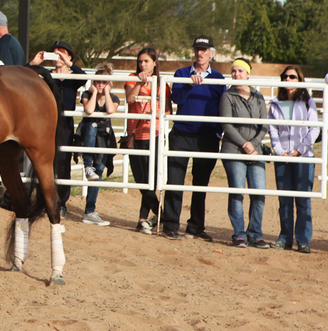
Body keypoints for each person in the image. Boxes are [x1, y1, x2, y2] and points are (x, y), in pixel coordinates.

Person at [162, 35, 225, 241]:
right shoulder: (181, 73)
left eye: (204, 50)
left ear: (211, 53)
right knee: (175, 180)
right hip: (182, 133)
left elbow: (221, 107)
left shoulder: (218, 78)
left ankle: (195, 227)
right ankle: (170, 224)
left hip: (206, 137)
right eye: (197, 49)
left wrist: (217, 133)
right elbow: (177, 99)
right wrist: (189, 84)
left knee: (200, 183)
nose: (200, 53)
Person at [30, 41, 86, 218]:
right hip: (45, 123)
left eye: (62, 53)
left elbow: (84, 77)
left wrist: (69, 65)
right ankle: (43, 200)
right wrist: (34, 63)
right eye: (55, 53)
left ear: (69, 56)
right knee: (42, 160)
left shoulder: (73, 76)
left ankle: (61, 202)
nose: (58, 56)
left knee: (63, 162)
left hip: (65, 125)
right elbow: (24, 74)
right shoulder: (46, 74)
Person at [220, 58, 269, 248]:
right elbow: (227, 124)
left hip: (255, 152)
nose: (236, 74)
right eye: (234, 71)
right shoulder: (227, 96)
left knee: (258, 192)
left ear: (248, 73)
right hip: (234, 150)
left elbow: (264, 125)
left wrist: (254, 145)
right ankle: (239, 234)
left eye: (240, 71)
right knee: (237, 192)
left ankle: (255, 234)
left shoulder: (258, 97)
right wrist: (244, 145)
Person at [269, 66, 318, 253]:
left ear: (299, 79)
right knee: (284, 200)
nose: (288, 79)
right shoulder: (275, 102)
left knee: (303, 200)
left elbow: (314, 128)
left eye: (292, 76)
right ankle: (285, 238)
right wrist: (280, 151)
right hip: (282, 156)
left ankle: (304, 240)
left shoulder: (307, 101)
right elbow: (272, 129)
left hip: (303, 156)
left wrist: (299, 150)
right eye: (285, 76)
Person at [123, 48, 172, 234]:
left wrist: (156, 113)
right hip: (135, 134)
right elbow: (129, 99)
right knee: (141, 179)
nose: (142, 64)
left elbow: (167, 111)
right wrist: (139, 83)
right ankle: (164, 215)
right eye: (140, 61)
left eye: (146, 61)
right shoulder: (132, 77)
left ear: (154, 63)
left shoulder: (162, 83)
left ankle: (143, 219)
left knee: (151, 180)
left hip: (155, 134)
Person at [77, 63, 120, 226]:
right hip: (88, 133)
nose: (100, 85)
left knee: (99, 171)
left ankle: (89, 211)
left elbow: (110, 110)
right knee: (92, 125)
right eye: (97, 82)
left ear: (109, 83)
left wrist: (106, 92)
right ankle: (87, 165)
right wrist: (94, 93)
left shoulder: (113, 97)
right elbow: (88, 110)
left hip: (104, 135)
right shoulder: (87, 94)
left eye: (103, 82)